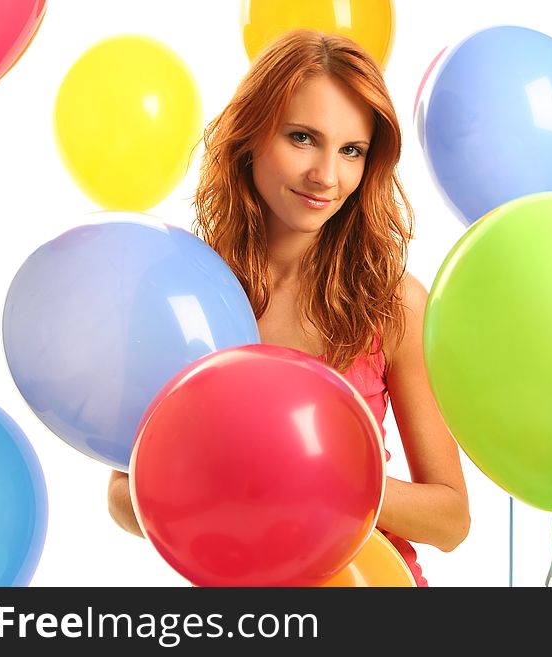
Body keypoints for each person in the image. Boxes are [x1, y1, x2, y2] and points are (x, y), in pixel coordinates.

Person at [108, 29, 470, 586]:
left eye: (352, 150)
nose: (326, 175)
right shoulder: (186, 293)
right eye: (303, 138)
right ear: (250, 137)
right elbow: (121, 493)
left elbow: (450, 520)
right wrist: (222, 499)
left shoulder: (391, 302)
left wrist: (326, 483)